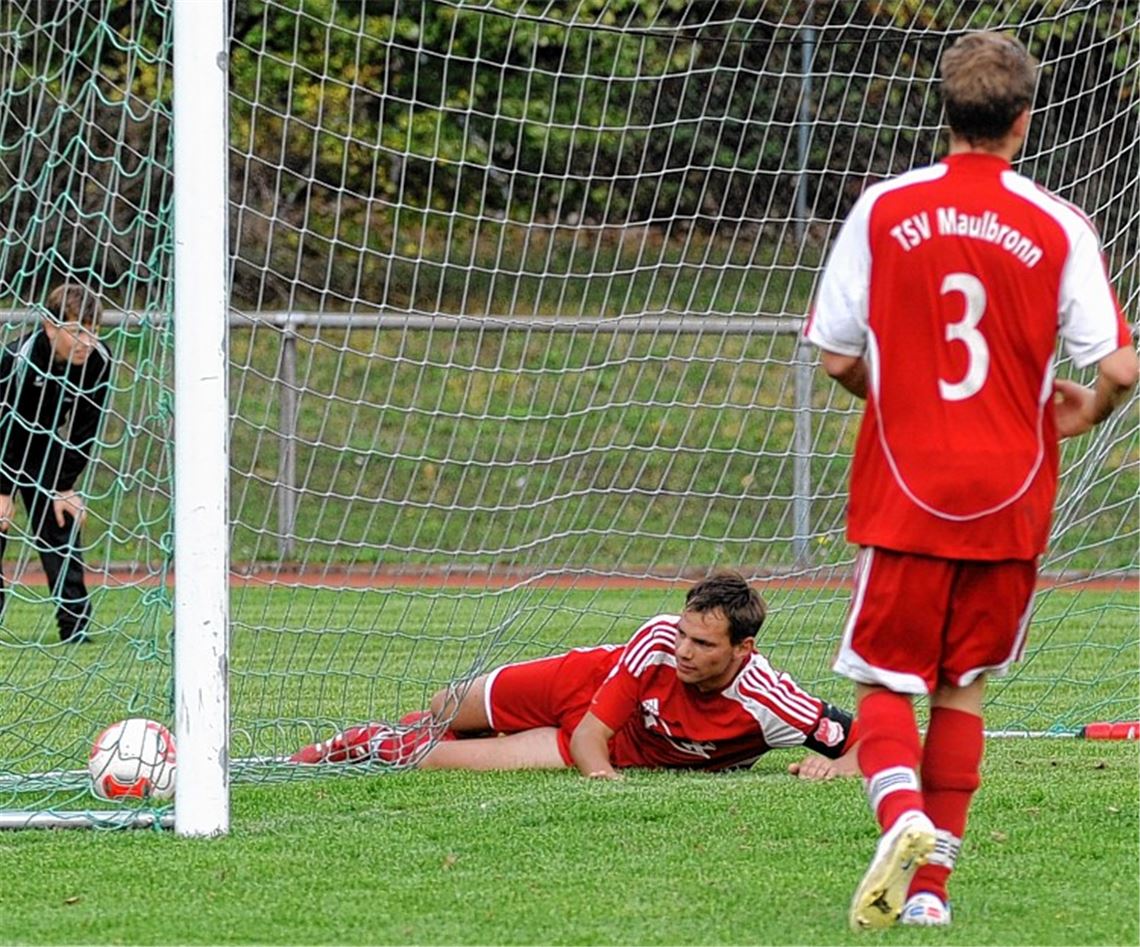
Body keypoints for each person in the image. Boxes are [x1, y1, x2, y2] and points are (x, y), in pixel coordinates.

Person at [804, 31, 1137, 931]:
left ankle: (899, 812)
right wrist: (1085, 410)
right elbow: (1118, 365)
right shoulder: (1058, 223)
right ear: (1025, 121)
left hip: (907, 486)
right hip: (1011, 490)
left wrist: (897, 392)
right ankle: (930, 897)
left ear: (945, 109)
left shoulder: (883, 207)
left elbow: (835, 354)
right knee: (964, 688)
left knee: (882, 683)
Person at [291, 570, 860, 781]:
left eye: (703, 643)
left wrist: (835, 764)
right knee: (445, 705)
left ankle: (354, 744)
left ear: (743, 649)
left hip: (601, 746)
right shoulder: (658, 640)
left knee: (430, 759)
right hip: (582, 690)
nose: (683, 649)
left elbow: (880, 741)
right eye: (684, 633)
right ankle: (425, 727)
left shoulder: (771, 701)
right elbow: (593, 735)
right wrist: (602, 784)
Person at [0, 283, 112, 643]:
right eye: (78, 330)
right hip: (4, 444)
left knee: (60, 524)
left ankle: (74, 628)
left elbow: (84, 428)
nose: (86, 341)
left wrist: (64, 486)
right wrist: (2, 491)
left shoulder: (98, 361)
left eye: (93, 331)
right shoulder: (18, 359)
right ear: (51, 327)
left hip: (44, 448)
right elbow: (5, 427)